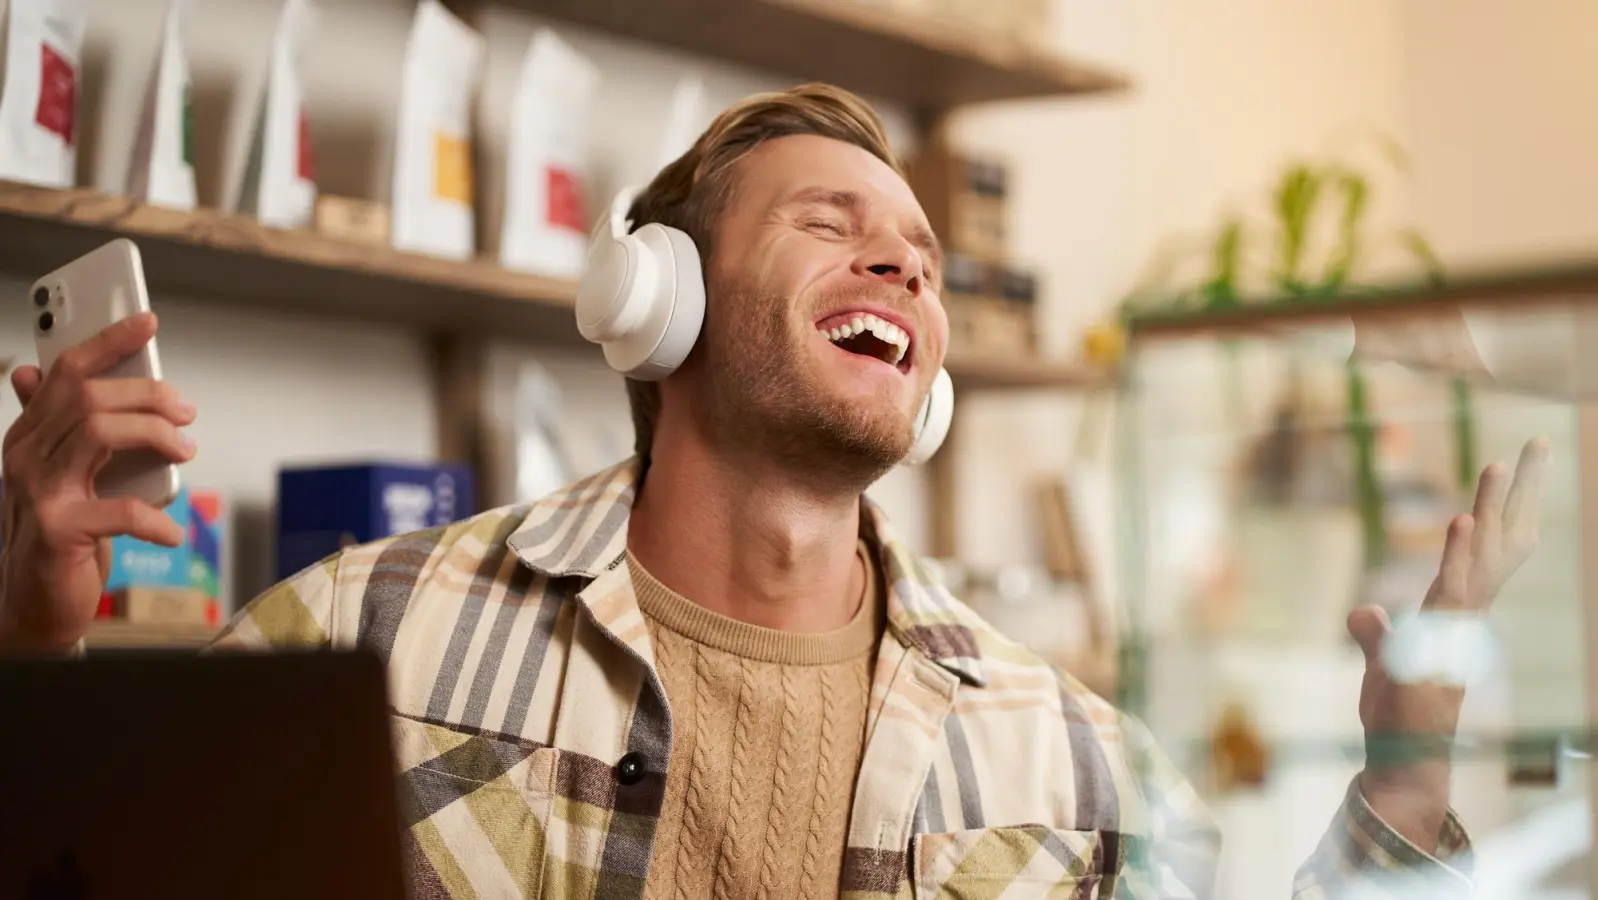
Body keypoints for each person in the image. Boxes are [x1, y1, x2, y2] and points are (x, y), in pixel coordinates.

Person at [0, 83, 1551, 899]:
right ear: (653, 303)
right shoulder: (372, 636)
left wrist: (1408, 770)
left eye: (922, 260)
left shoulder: (1070, 760)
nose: (902, 267)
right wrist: (29, 641)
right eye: (831, 224)